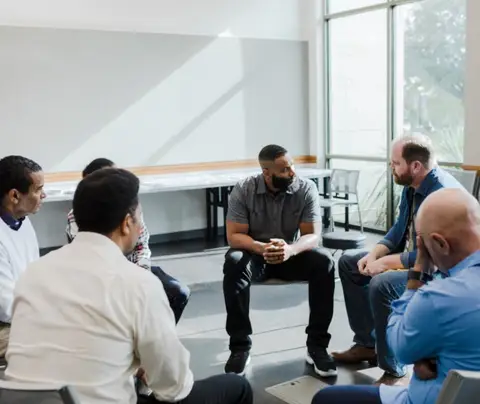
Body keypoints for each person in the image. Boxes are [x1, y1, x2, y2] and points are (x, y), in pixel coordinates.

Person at [6, 168, 253, 404]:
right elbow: (174, 387)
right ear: (126, 223)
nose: (140, 225)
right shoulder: (139, 284)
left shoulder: (34, 273)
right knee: (237, 388)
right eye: (140, 216)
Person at [312, 188, 480, 404]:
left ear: (440, 244)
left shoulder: (440, 297)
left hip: (432, 398)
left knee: (326, 399)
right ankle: (366, 344)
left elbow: (400, 349)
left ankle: (388, 367)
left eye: (423, 244)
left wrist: (416, 279)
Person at [332, 134, 462, 385]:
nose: (391, 168)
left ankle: (393, 367)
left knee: (384, 284)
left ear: (415, 166)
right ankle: (367, 344)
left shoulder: (443, 193)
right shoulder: (412, 186)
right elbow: (399, 229)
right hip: (415, 259)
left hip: (439, 270)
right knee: (350, 262)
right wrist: (374, 254)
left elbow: (435, 254)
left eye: (395, 163)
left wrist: (386, 263)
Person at [222, 144, 336, 377]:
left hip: (290, 254)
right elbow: (234, 236)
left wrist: (291, 250)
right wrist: (261, 247)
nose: (292, 172)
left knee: (324, 262)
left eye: (292, 165)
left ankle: (317, 346)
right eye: (284, 169)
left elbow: (313, 235)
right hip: (256, 256)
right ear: (266, 172)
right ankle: (240, 348)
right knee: (234, 261)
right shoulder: (244, 189)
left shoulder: (306, 188)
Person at [66, 158, 190, 323]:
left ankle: (156, 335)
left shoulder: (132, 207)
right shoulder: (77, 216)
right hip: (99, 279)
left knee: (178, 292)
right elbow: (90, 257)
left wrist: (141, 275)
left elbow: (142, 245)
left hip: (135, 268)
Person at [0, 155, 45, 356]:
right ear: (15, 196)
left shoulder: (23, 222)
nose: (44, 195)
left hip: (24, 315)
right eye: (38, 190)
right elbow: (6, 307)